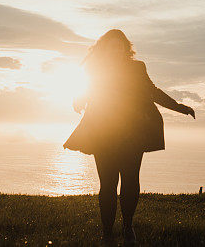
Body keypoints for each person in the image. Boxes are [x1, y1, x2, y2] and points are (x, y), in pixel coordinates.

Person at [63, 29, 196, 245]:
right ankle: (107, 232)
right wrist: (78, 100)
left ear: (126, 48)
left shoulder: (137, 67)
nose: (115, 50)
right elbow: (87, 88)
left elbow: (153, 92)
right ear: (105, 48)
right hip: (103, 131)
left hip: (132, 132)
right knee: (107, 184)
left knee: (130, 180)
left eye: (119, 46)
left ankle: (127, 227)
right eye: (111, 46)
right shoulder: (96, 68)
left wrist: (179, 107)